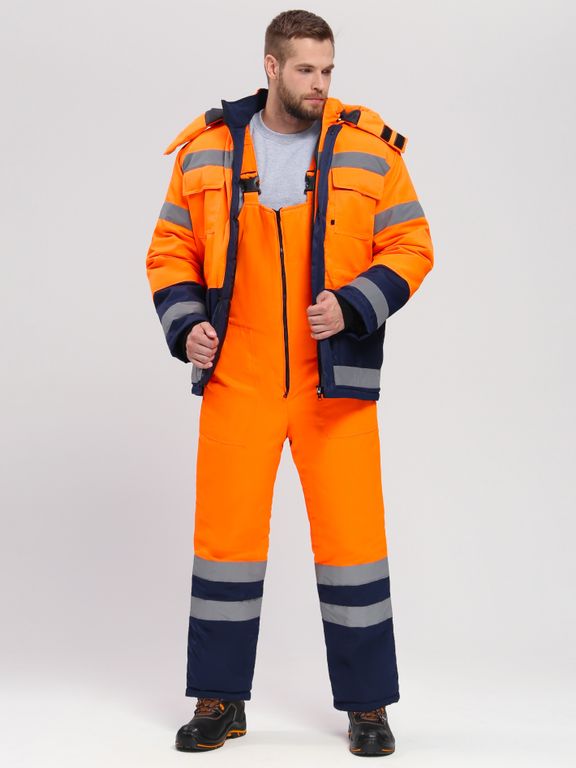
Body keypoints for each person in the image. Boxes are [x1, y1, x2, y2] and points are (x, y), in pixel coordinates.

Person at [145, 9, 433, 757]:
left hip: (332, 382)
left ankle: (368, 707)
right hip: (236, 377)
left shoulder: (370, 150)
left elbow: (412, 244)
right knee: (226, 545)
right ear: (270, 67)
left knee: (354, 544)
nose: (319, 84)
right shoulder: (207, 150)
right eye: (306, 69)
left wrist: (355, 304)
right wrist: (187, 325)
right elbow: (170, 248)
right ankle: (220, 700)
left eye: (327, 70)